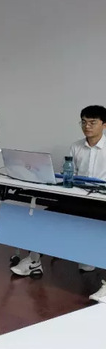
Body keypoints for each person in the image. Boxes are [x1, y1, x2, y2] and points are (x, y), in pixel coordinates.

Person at [11, 105, 106, 303]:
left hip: (102, 201)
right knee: (48, 216)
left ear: (104, 125)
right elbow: (68, 174)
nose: (87, 126)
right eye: (83, 122)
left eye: (92, 122)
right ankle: (34, 261)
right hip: (78, 197)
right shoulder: (76, 146)